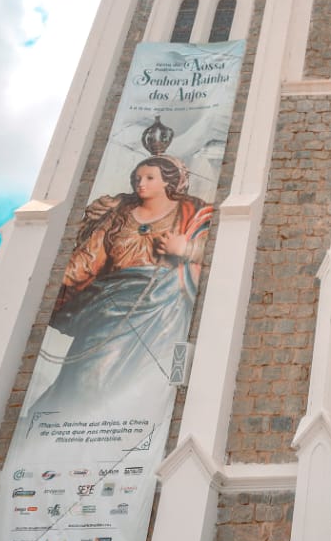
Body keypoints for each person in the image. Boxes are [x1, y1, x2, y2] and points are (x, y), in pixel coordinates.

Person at [31, 152, 210, 415]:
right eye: (137, 178)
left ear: (168, 182)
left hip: (163, 311)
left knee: (144, 384)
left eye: (150, 178)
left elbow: (212, 246)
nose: (141, 183)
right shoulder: (118, 215)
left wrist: (187, 248)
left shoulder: (190, 211)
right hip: (110, 306)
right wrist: (47, 286)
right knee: (87, 378)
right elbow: (88, 260)